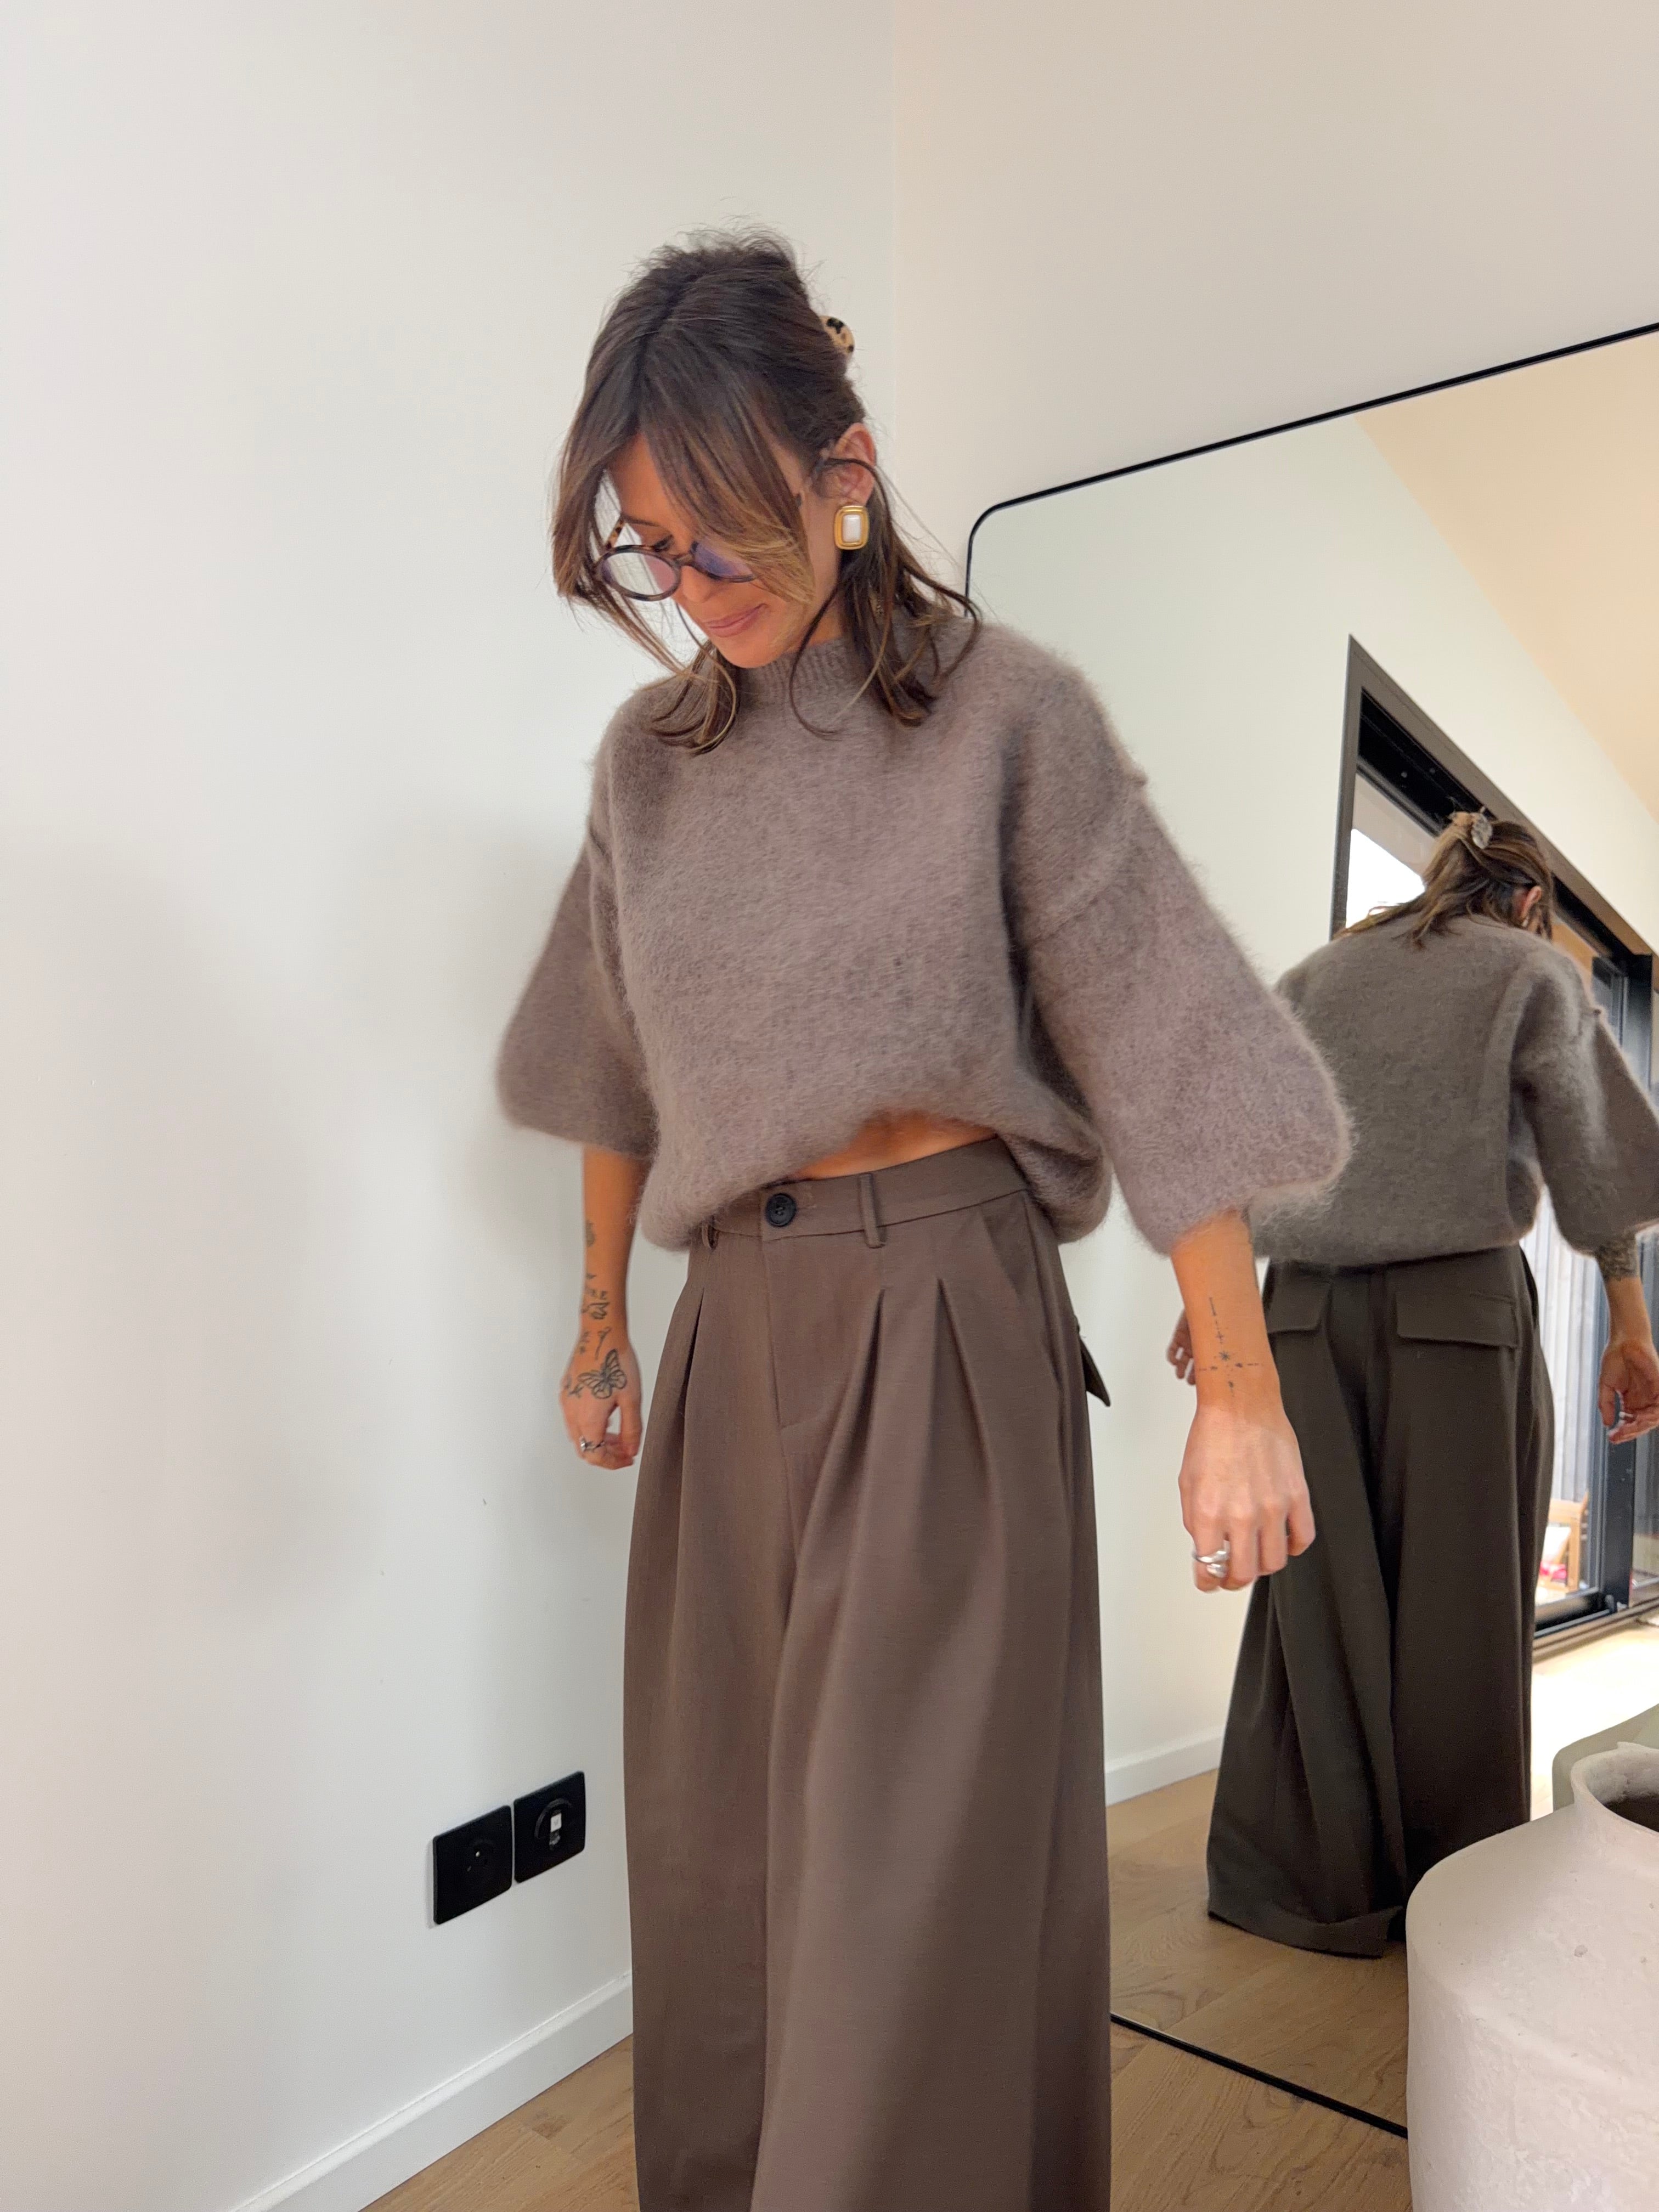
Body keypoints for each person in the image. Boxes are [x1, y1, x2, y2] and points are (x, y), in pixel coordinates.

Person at [498, 231, 1348, 2212]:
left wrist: (1239, 1385)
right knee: (722, 1872)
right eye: (651, 552)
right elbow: (607, 1065)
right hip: (732, 1342)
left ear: (846, 473)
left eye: (724, 535)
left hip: (945, 1318)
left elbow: (1166, 1037)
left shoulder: (1004, 718)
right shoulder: (648, 768)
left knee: (911, 1903)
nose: (693, 590)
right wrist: (604, 1320)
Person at [1170, 812, 1659, 1958]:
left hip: (1295, 1313)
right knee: (1458, 1611)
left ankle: (1305, 1892)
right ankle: (1454, 1905)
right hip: (1456, 1313)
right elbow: (1600, 1169)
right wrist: (1631, 1324)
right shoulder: (1529, 971)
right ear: (1529, 903)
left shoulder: (1317, 976)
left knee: (1312, 1604)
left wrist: (1218, 1311)